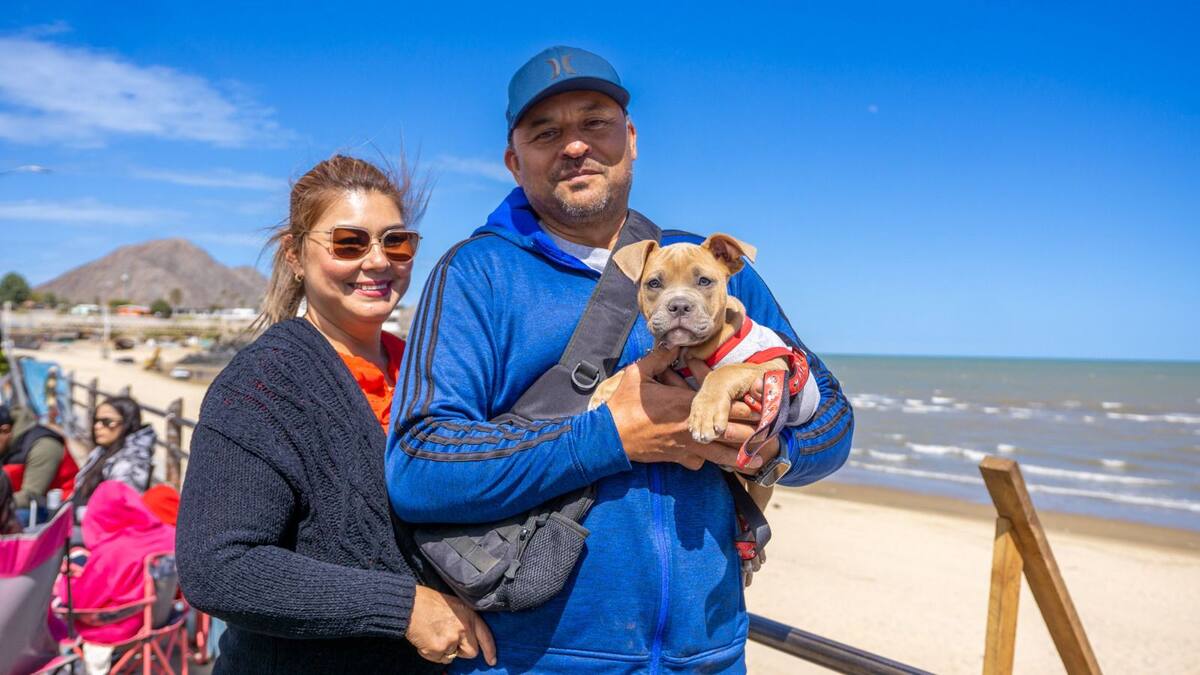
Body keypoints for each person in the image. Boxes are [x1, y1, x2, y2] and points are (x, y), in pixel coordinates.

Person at [386, 46, 854, 672]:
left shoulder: (709, 273)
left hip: (707, 656)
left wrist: (769, 450)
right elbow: (419, 466)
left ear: (631, 139)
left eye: (595, 123)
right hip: (532, 658)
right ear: (512, 160)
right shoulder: (478, 274)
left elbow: (832, 424)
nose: (574, 145)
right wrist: (613, 436)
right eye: (546, 132)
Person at [176, 155, 496, 673]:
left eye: (396, 242)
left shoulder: (429, 369)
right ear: (295, 255)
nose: (378, 261)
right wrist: (405, 608)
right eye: (349, 242)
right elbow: (217, 566)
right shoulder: (261, 385)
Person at [54, 480, 177, 674]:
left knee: (55, 610)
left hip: (123, 628)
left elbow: (79, 602)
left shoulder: (113, 550)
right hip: (161, 616)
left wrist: (66, 583)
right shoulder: (169, 534)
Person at [74, 397, 156, 507]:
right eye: (96, 420)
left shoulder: (131, 462)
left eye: (107, 422)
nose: (97, 426)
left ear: (128, 423)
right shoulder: (102, 451)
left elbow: (118, 509)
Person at [0, 403, 76, 517]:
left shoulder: (44, 446)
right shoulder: (7, 444)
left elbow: (31, 496)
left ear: (5, 430)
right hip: (18, 501)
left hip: (57, 509)